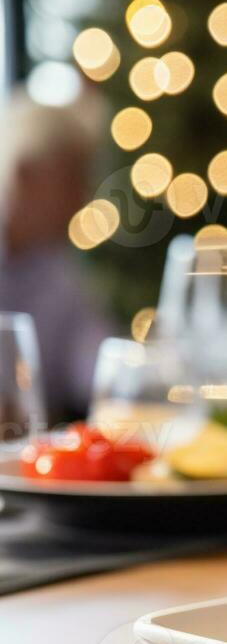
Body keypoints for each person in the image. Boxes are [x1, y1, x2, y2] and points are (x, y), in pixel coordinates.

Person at [0, 93, 115, 423]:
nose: (82, 198)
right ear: (24, 174)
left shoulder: (57, 267)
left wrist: (142, 379)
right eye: (72, 179)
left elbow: (93, 360)